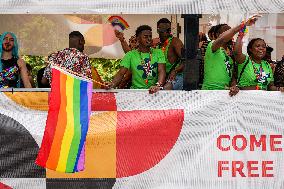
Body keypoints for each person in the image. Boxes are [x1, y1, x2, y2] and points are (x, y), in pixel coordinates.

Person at [107, 25, 166, 94]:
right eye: (145, 37)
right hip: (136, 93)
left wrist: (158, 85)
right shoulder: (130, 55)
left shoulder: (159, 52)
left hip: (154, 93)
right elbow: (121, 73)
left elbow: (162, 71)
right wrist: (112, 84)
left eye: (150, 36)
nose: (149, 39)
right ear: (138, 39)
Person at [233, 19, 284, 92]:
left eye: (264, 47)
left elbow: (270, 86)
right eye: (258, 46)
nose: (261, 48)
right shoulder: (245, 61)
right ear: (250, 49)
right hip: (245, 100)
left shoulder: (267, 65)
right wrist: (241, 33)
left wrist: (279, 89)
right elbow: (237, 52)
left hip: (262, 101)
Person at [156, 18, 184, 90]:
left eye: (169, 30)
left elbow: (186, 60)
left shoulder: (175, 42)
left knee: (164, 90)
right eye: (164, 30)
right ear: (158, 30)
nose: (167, 32)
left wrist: (175, 71)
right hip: (163, 77)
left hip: (176, 77)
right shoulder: (157, 45)